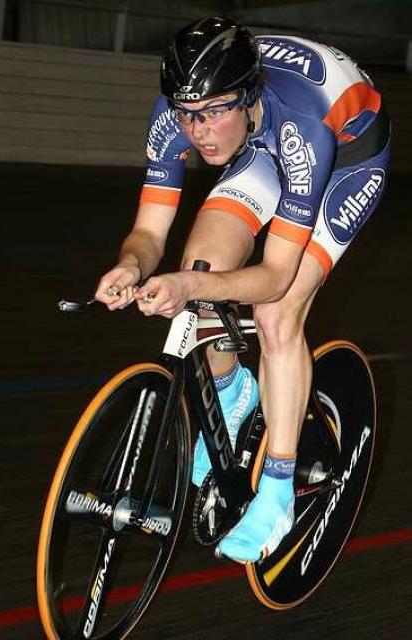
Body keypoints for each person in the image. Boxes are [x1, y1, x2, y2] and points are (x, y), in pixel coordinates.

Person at [95, 16, 390, 563]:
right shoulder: (177, 115)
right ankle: (231, 389)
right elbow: (148, 232)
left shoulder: (302, 128)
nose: (198, 131)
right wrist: (131, 267)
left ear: (248, 97)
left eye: (211, 113)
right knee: (201, 263)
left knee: (277, 313)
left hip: (345, 153)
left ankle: (277, 489)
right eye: (186, 115)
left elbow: (276, 276)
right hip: (263, 143)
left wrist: (189, 285)